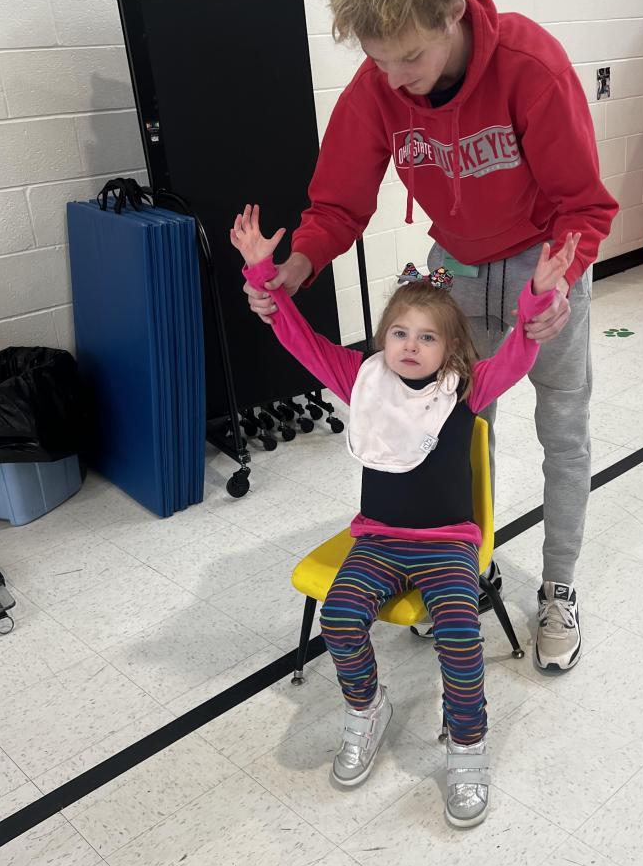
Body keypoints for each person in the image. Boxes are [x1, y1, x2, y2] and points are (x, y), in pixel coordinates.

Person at [244, 0, 618, 674]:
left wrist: (557, 284)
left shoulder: (530, 66)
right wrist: (298, 265)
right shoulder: (380, 85)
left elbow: (585, 204)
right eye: (378, 60)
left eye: (409, 57)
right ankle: (460, 567)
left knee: (563, 430)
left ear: (453, 10)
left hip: (545, 267)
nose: (395, 78)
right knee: (452, 428)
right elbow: (338, 204)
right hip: (455, 270)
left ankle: (559, 586)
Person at [232, 204, 578, 827]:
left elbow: (520, 353)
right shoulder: (360, 378)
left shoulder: (467, 386)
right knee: (339, 618)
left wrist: (535, 296)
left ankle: (468, 745)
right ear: (382, 338)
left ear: (451, 348)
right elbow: (298, 338)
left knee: (460, 635)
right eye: (399, 333)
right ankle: (368, 708)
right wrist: (264, 277)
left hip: (447, 544)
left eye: (427, 337)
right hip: (378, 542)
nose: (410, 346)